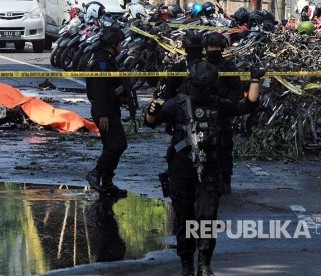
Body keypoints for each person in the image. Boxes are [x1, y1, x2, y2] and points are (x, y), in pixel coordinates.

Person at [144, 60, 265, 276]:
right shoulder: (177, 103)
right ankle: (187, 265)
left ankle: (204, 264)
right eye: (199, 87)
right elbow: (151, 122)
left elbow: (246, 106)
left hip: (209, 165)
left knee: (207, 217)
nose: (202, 91)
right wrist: (152, 110)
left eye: (206, 87)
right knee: (184, 218)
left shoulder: (217, 103)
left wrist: (255, 79)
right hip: (181, 166)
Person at [84, 26, 128, 198]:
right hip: (105, 111)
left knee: (111, 145)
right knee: (118, 144)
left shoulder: (108, 59)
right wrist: (103, 114)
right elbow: (100, 89)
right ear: (113, 44)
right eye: (121, 44)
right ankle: (96, 173)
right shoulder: (102, 63)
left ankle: (107, 182)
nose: (122, 47)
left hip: (110, 108)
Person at [202, 31, 244, 194]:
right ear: (206, 48)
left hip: (223, 113)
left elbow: (236, 90)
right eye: (211, 46)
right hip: (204, 112)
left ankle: (225, 179)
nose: (214, 49)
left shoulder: (229, 67)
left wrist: (225, 105)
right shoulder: (200, 66)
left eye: (217, 47)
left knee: (225, 147)